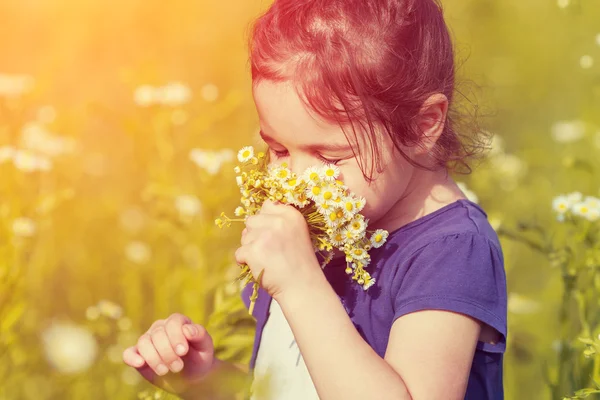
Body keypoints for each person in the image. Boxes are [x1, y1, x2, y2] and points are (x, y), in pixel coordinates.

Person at [123, 0, 507, 399]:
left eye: (329, 156)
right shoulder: (315, 235)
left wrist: (302, 284)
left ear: (423, 125)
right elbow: (286, 385)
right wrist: (202, 379)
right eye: (279, 150)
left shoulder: (450, 251)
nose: (297, 182)